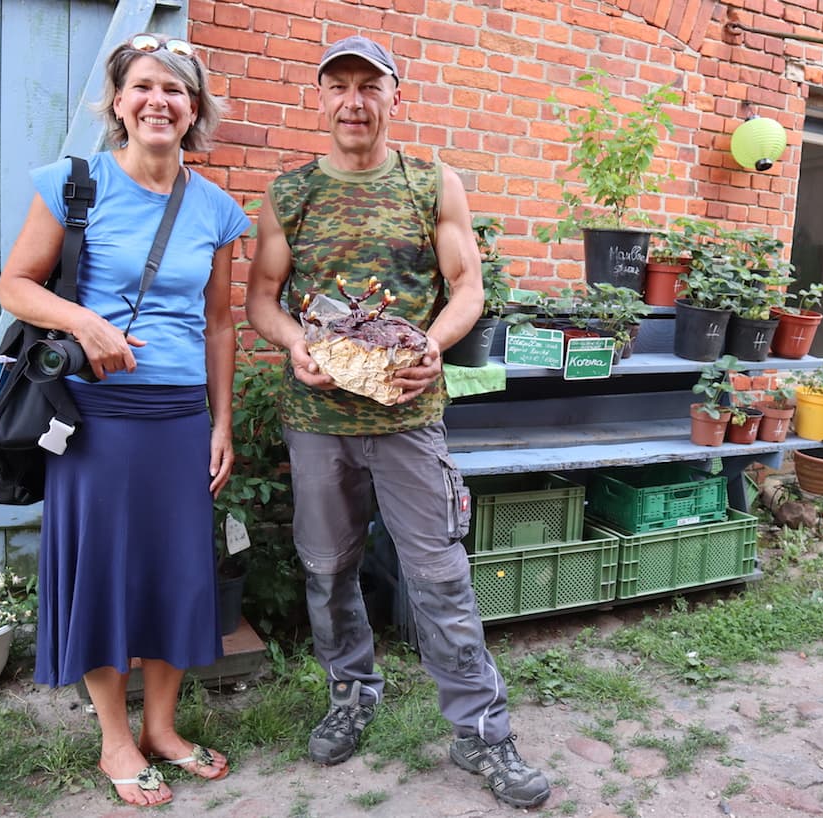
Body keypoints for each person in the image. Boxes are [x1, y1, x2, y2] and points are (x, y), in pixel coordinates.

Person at [245, 35, 551, 809]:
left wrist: (433, 347)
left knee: (440, 576)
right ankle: (352, 693)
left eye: (369, 86)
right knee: (327, 568)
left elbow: (466, 288)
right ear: (321, 98)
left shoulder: (430, 183)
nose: (354, 102)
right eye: (339, 86)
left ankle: (483, 732)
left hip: (408, 417)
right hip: (318, 418)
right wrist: (296, 346)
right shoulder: (290, 194)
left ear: (393, 97)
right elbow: (261, 301)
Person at [0, 33, 250, 808]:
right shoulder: (75, 187)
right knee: (102, 577)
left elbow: (218, 326)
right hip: (94, 418)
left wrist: (221, 423)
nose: (158, 101)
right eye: (144, 86)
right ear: (119, 101)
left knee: (177, 574)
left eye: (176, 90)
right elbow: (14, 284)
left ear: (194, 108)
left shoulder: (215, 208)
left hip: (178, 418)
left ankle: (164, 729)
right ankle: (115, 739)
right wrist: (87, 324)